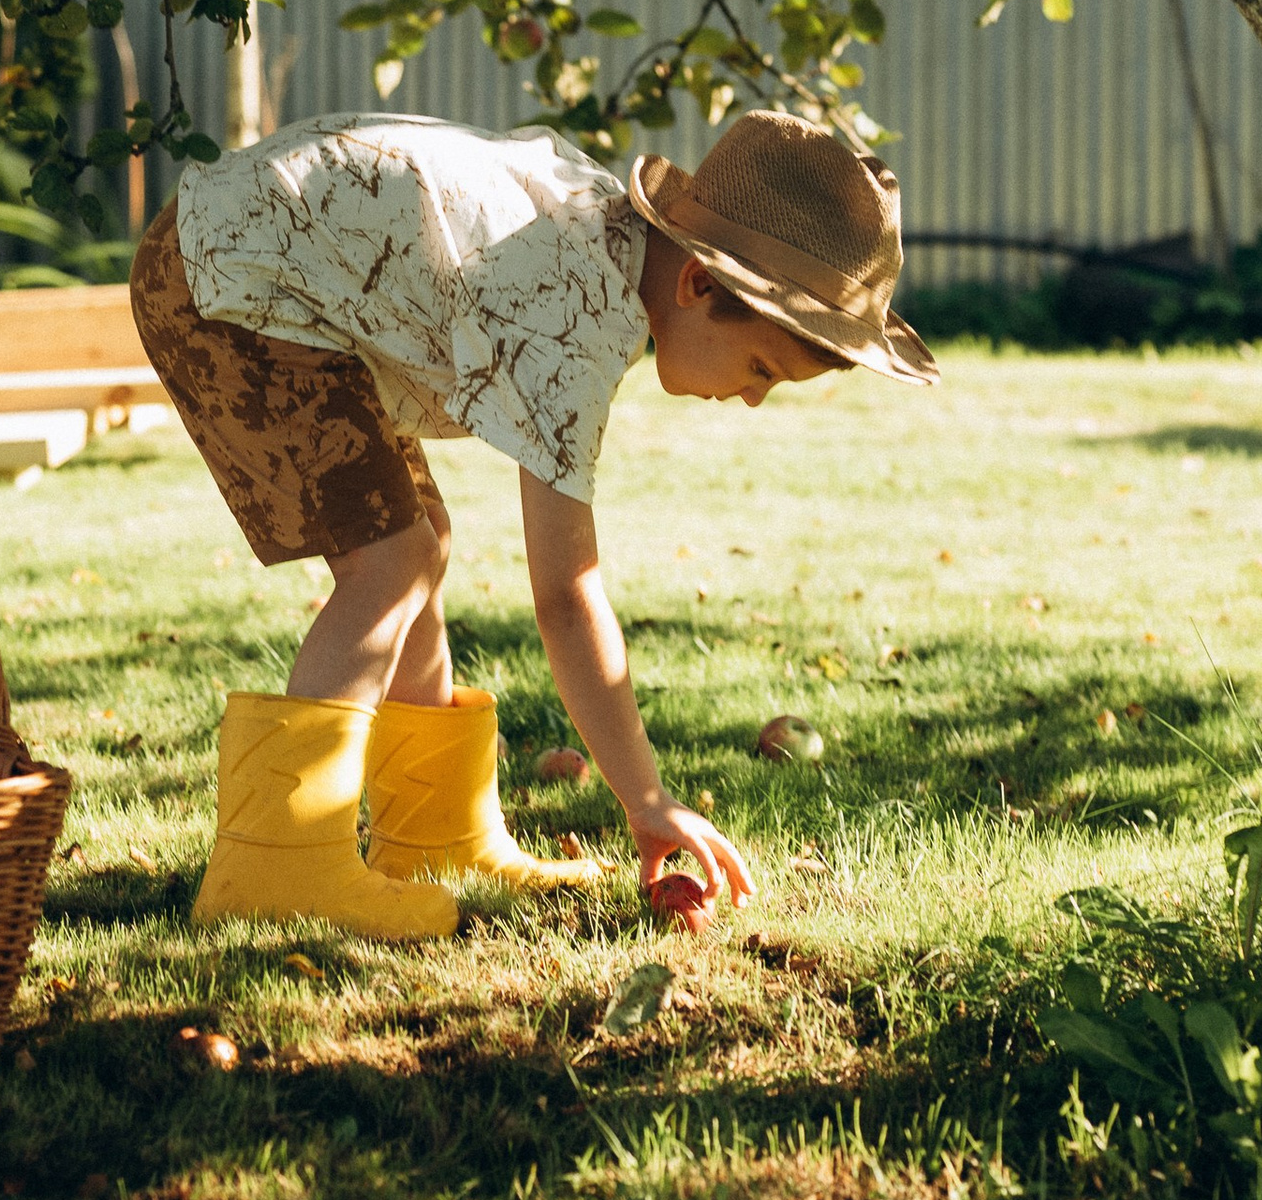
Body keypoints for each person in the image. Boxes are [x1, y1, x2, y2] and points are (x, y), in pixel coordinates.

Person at [128, 108, 937, 941]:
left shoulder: (603, 252)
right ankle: (279, 864)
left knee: (418, 543)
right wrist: (646, 797)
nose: (754, 396)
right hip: (224, 279)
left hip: (260, 266)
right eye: (761, 366)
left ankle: (436, 832)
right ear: (696, 282)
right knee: (394, 561)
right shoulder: (576, 312)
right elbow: (564, 594)